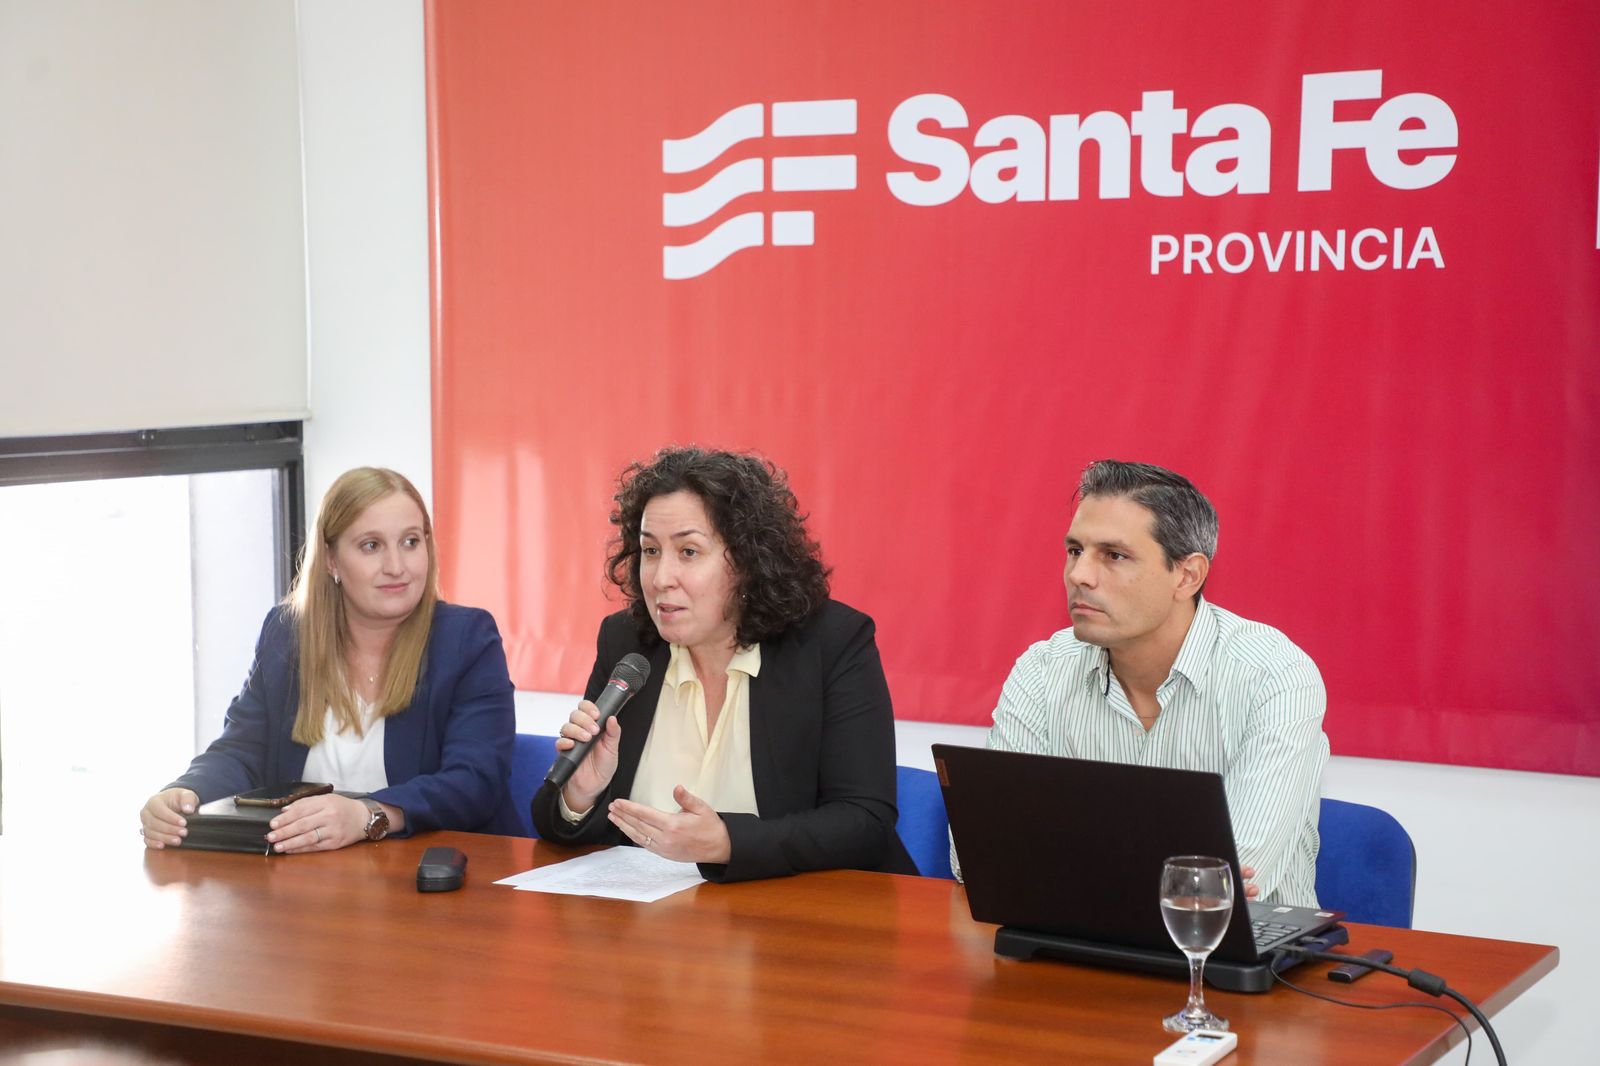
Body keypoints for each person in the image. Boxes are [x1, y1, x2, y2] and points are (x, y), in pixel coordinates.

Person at [532, 446, 916, 882]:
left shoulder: (830, 643)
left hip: (798, 912)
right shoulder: (627, 642)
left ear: (748, 561)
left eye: (689, 552)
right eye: (650, 550)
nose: (660, 578)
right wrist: (582, 794)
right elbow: (551, 822)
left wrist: (728, 843)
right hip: (651, 917)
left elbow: (864, 821)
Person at [964, 459, 1328, 906]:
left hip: (1232, 945)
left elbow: (1222, 883)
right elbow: (980, 854)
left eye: (1114, 556)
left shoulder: (1275, 677)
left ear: (1187, 575)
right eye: (1075, 550)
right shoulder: (1042, 670)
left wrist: (1060, 860)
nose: (1079, 575)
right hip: (1071, 937)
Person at [139, 467, 519, 852]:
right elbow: (242, 751)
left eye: (410, 541)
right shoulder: (287, 634)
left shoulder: (466, 640)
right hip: (308, 875)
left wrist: (369, 815)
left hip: (436, 873)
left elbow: (475, 781)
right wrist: (184, 792)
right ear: (331, 560)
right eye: (371, 546)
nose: (397, 566)